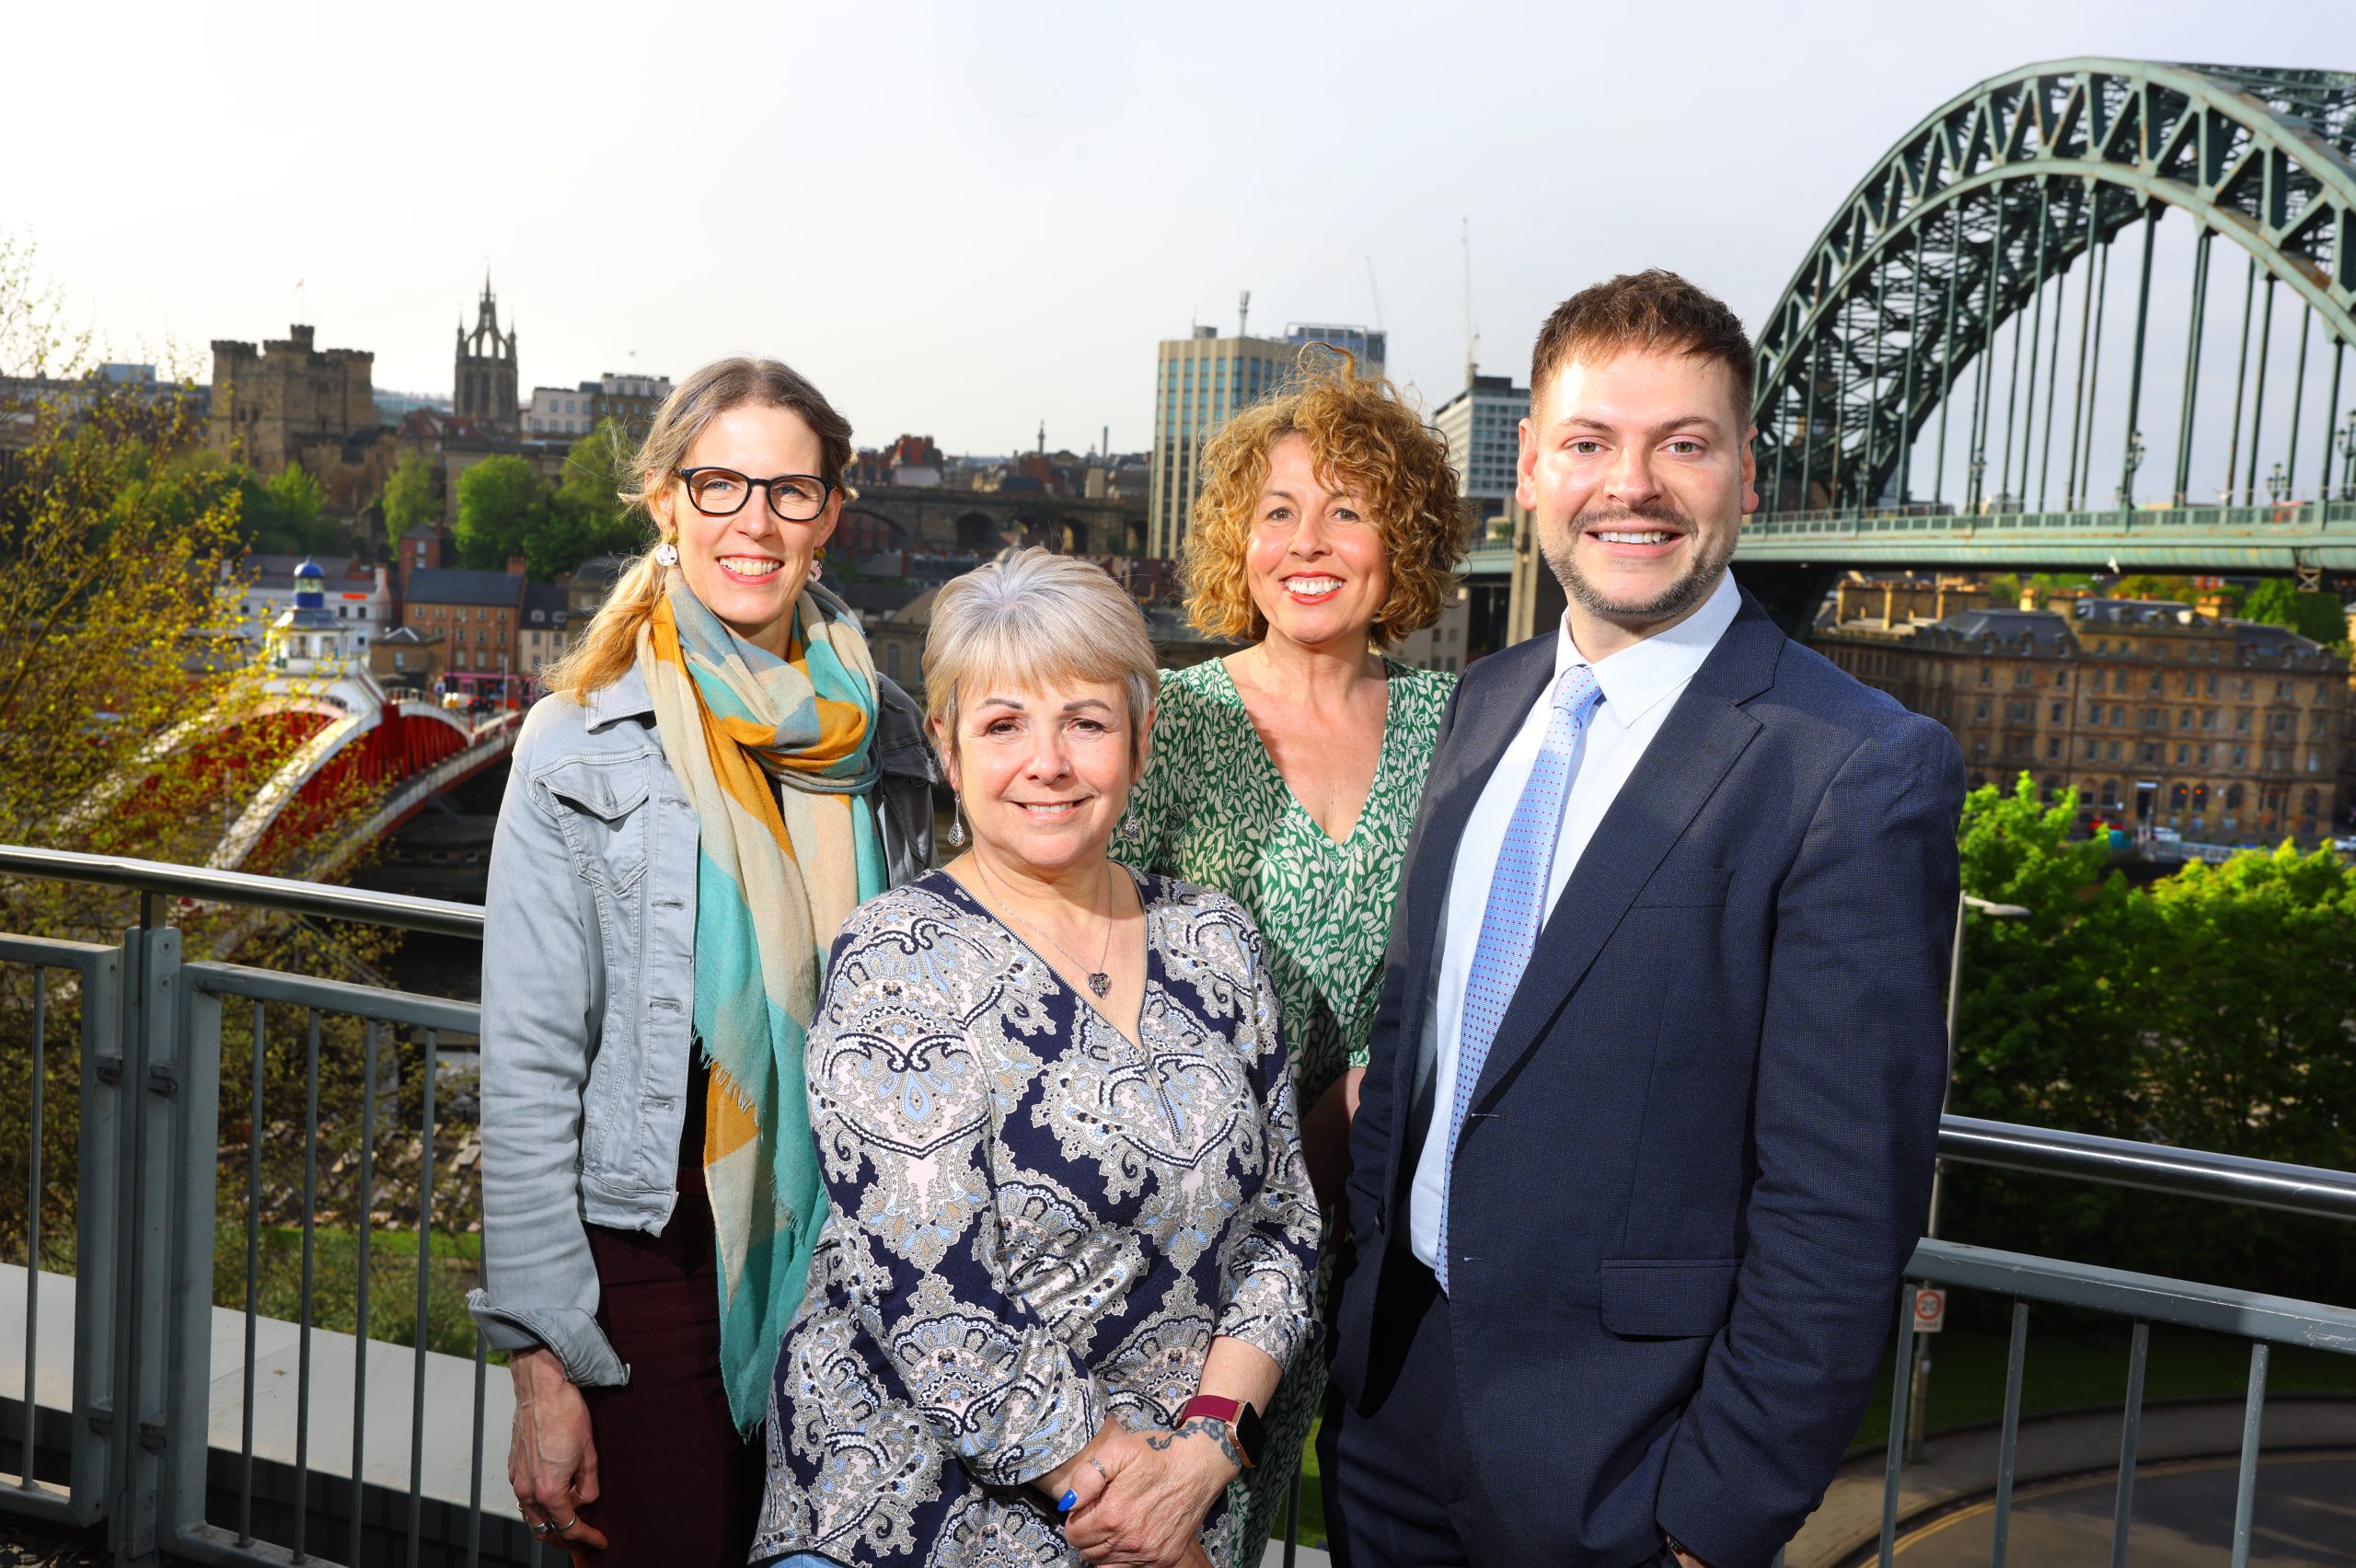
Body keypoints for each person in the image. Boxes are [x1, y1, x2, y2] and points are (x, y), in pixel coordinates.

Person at [1325, 271, 1963, 1568]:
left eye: (1684, 444)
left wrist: (1712, 1523)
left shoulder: (1854, 766)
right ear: (1532, 477)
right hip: (1392, 1414)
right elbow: (1418, 1031)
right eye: (1590, 444)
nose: (1635, 485)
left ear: (1744, 478)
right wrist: (1354, 1340)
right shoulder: (1486, 702)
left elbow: (1841, 1202)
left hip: (1620, 1467)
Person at [753, 549, 1322, 1568]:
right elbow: (933, 1298)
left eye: (1086, 723)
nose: (1047, 763)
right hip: (929, 1516)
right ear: (946, 746)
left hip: (1175, 1502)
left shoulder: (1216, 941)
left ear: (1140, 743)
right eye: (1004, 724)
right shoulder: (897, 963)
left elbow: (1285, 1228)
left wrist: (1203, 1455)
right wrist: (1119, 1515)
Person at [469, 356, 935, 1567]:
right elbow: (525, 1070)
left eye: (789, 491)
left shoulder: (892, 737)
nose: (755, 521)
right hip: (653, 1265)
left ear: (831, 514)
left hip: (858, 1256)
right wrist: (541, 1362)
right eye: (720, 485)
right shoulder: (578, 742)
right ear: (667, 504)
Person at [1123, 355, 1462, 1561]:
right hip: (1185, 1256)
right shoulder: (1164, 726)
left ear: (1401, 539)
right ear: (1236, 540)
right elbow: (1058, 979)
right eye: (1279, 511)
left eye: (1349, 509)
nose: (1308, 543)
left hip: (1385, 1250)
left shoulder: (1463, 729)